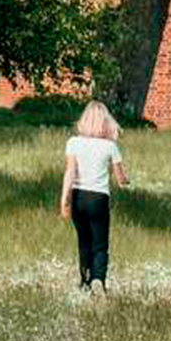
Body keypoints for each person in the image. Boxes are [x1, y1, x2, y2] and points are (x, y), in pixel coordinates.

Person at [60, 101, 130, 293]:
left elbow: (70, 172)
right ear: (105, 122)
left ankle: (85, 280)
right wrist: (126, 180)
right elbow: (120, 178)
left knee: (84, 241)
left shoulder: (73, 143)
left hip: (78, 196)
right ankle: (98, 279)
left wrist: (64, 200)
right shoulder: (110, 146)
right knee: (99, 244)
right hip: (99, 198)